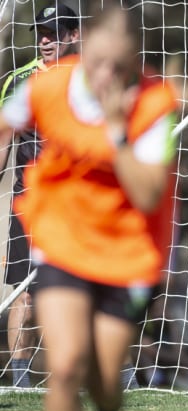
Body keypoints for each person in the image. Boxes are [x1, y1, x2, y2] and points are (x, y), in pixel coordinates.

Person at [0, 0, 178, 411]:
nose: (105, 76)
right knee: (66, 367)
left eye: (118, 67)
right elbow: (5, 128)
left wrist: (116, 131)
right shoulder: (45, 86)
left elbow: (148, 193)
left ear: (135, 61)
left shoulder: (155, 105)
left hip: (128, 251)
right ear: (83, 54)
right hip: (61, 239)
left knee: (102, 375)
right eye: (97, 63)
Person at [0, 2, 80, 389]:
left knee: (93, 293)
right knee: (23, 295)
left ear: (73, 35)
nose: (46, 40)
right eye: (42, 33)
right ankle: (19, 379)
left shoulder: (88, 79)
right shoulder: (20, 81)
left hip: (79, 207)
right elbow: (3, 147)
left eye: (56, 32)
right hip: (29, 204)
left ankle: (122, 375)